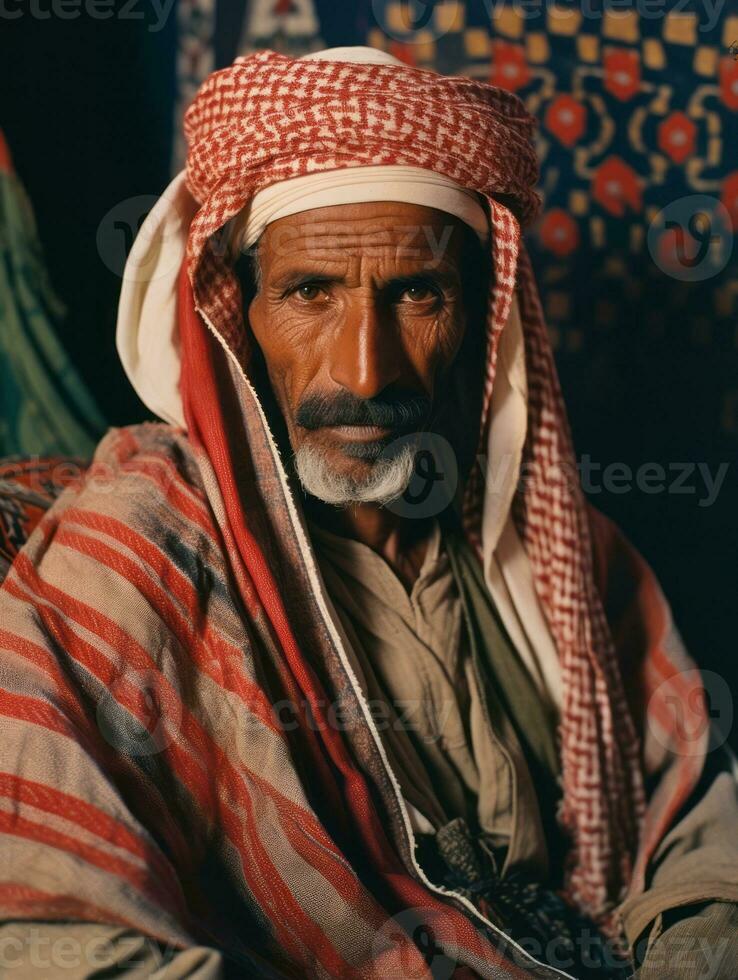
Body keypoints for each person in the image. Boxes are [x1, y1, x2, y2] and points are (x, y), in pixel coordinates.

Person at [0, 47, 736, 979]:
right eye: (310, 293)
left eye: (417, 293)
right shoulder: (135, 551)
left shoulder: (557, 548)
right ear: (239, 311)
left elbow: (701, 830)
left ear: (478, 313)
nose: (364, 372)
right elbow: (47, 940)